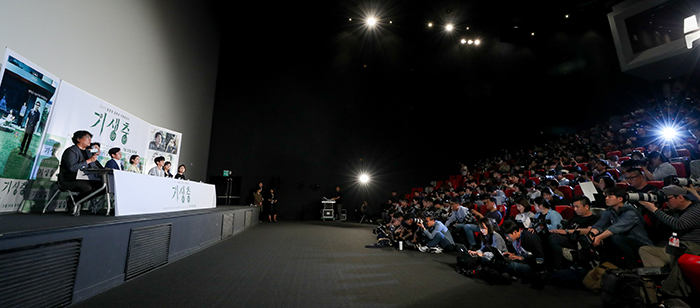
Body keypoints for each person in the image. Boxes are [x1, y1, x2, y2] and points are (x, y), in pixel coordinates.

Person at [637, 185, 700, 297]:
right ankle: (664, 279)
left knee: (680, 249)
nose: (666, 202)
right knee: (645, 250)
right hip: (676, 248)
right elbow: (661, 223)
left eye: (668, 198)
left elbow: (679, 224)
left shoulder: (696, 209)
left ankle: (670, 289)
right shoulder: (675, 211)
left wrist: (654, 210)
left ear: (680, 197)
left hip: (693, 249)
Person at [590, 186, 653, 268]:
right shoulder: (609, 211)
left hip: (641, 244)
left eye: (609, 196)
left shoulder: (631, 212)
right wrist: (591, 234)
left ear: (620, 199)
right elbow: (600, 225)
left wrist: (599, 237)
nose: (606, 198)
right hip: (624, 242)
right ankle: (612, 266)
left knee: (614, 237)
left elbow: (617, 228)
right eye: (606, 196)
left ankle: (632, 267)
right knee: (608, 239)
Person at [58, 130, 105, 215]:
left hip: (85, 178)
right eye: (87, 138)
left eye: (90, 138)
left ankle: (76, 201)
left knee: (103, 187)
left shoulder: (88, 152)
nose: (89, 140)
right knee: (87, 187)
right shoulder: (71, 151)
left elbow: (93, 166)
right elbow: (72, 168)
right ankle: (76, 202)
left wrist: (95, 157)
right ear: (79, 139)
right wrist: (88, 161)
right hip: (70, 179)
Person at [547, 196, 600, 270]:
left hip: (577, 241)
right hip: (566, 237)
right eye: (574, 207)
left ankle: (557, 267)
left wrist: (567, 231)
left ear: (586, 207)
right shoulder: (576, 217)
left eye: (577, 207)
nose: (575, 209)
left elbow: (589, 230)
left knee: (553, 238)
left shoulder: (593, 219)